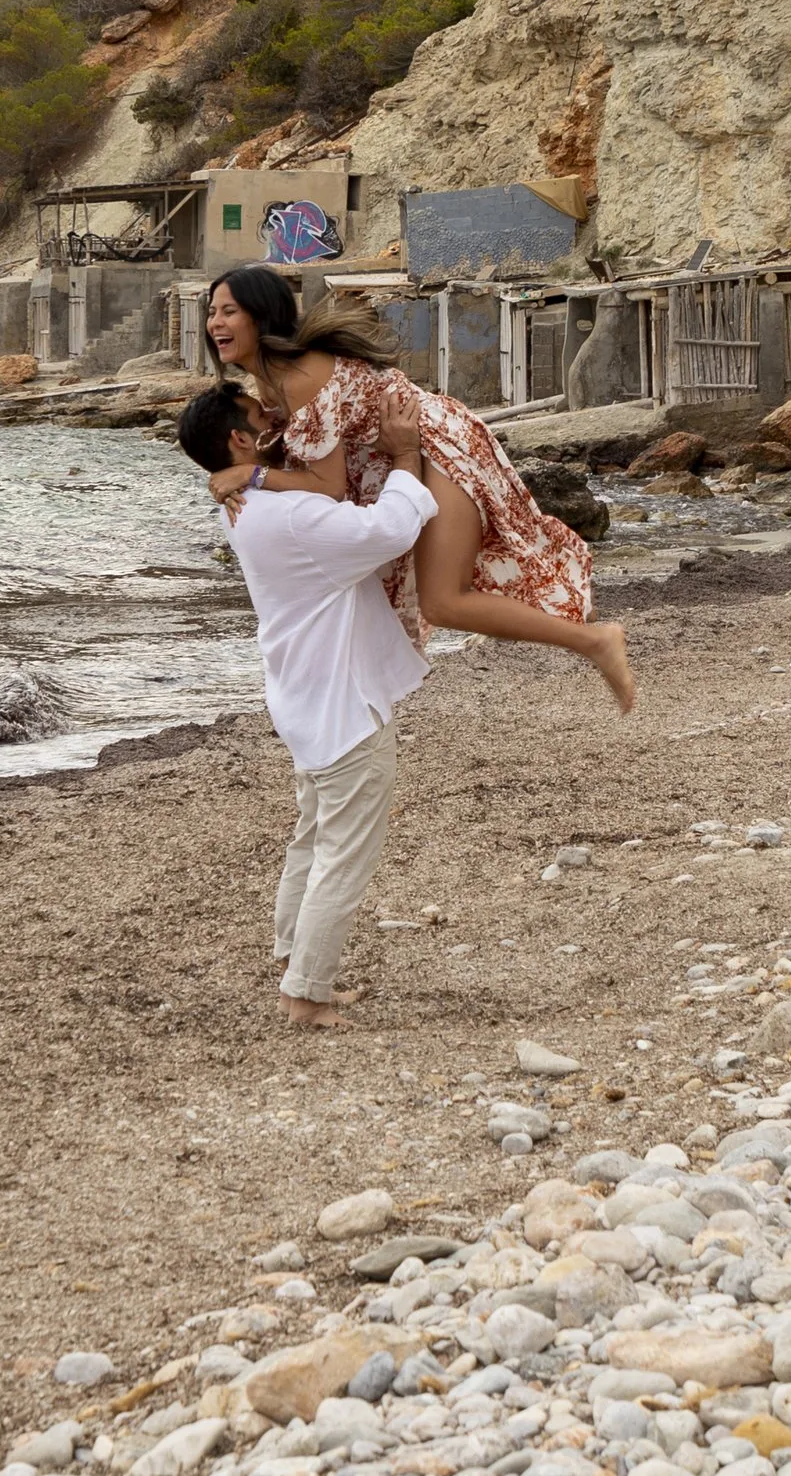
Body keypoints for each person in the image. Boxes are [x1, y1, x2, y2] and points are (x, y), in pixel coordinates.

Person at [201, 263, 634, 716]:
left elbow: (325, 489)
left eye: (228, 311)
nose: (215, 323)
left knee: (446, 600)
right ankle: (586, 635)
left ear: (260, 315)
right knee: (443, 597)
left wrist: (252, 478)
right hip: (400, 459)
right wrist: (234, 481)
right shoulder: (268, 385)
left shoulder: (298, 378)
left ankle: (596, 641)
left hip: (434, 445)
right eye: (212, 312)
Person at [177, 376, 436, 1026]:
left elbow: (299, 483)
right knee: (343, 852)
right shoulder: (285, 512)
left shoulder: (243, 506)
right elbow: (392, 529)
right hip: (341, 710)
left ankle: (292, 954)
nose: (272, 416)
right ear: (240, 438)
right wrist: (405, 456)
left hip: (303, 698)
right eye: (257, 414)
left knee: (314, 835)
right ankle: (305, 993)